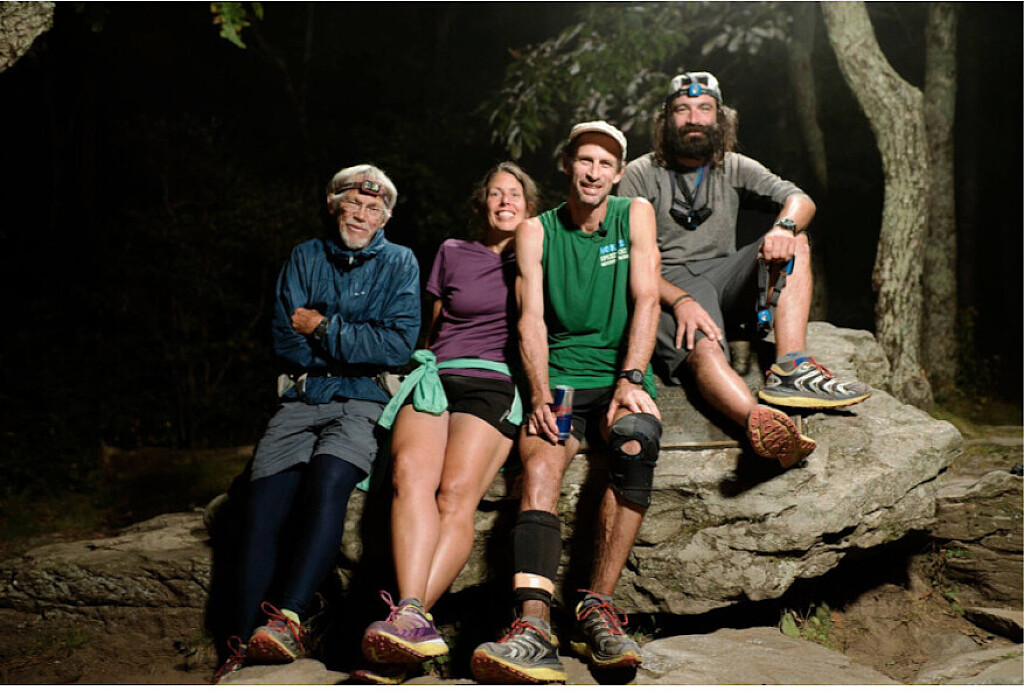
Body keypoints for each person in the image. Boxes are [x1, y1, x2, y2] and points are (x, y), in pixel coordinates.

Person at [211, 164, 421, 683]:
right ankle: (238, 644)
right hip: (301, 400)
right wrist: (354, 341)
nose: (362, 214)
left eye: (373, 208)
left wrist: (322, 326)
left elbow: (397, 346)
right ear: (333, 204)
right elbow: (286, 341)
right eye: (353, 203)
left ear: (386, 218)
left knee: (327, 485)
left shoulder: (400, 262)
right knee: (261, 507)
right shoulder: (305, 256)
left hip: (362, 401)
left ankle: (289, 619)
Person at [471, 121, 663, 684]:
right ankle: (533, 628)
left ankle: (597, 610)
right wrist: (537, 393)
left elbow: (648, 298)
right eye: (584, 160)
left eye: (605, 163)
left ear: (618, 173)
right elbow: (529, 319)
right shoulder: (537, 230)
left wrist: (631, 377)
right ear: (566, 164)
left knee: (636, 443)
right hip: (561, 381)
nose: (593, 172)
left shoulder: (635, 214)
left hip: (619, 376)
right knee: (538, 465)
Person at [617, 71, 871, 469]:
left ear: (720, 119)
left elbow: (800, 200)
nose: (694, 118)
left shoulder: (732, 166)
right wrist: (679, 301)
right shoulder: (639, 172)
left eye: (704, 109)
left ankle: (791, 369)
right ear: (665, 120)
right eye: (682, 109)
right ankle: (762, 425)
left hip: (726, 276)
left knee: (796, 241)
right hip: (669, 281)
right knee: (704, 349)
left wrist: (783, 227)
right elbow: (627, 257)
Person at [352, 162, 540, 684]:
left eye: (515, 194)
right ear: (483, 203)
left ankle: (405, 623)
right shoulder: (453, 251)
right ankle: (412, 613)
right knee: (409, 475)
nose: (505, 201)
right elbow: (434, 326)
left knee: (455, 494)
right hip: (436, 375)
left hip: (494, 381)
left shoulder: (536, 256)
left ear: (530, 207)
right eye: (496, 193)